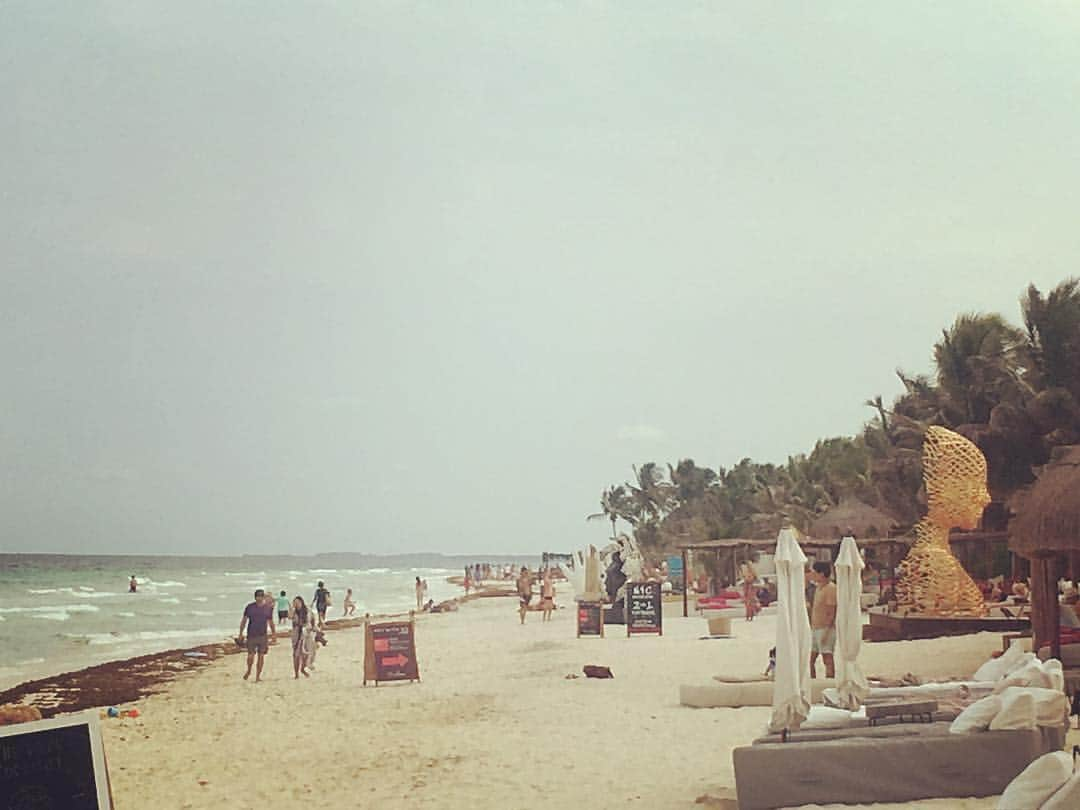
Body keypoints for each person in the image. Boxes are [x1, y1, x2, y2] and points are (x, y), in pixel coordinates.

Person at [238, 589, 276, 682]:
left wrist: (274, 634)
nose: (258, 598)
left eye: (260, 596)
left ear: (263, 597)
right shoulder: (249, 607)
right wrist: (240, 633)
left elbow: (271, 622)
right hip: (251, 635)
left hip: (263, 635)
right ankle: (249, 670)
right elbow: (244, 620)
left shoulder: (268, 608)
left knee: (261, 656)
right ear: (255, 597)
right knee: (250, 656)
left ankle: (258, 676)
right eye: (257, 596)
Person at [808, 562, 837, 679]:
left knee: (827, 659)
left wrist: (827, 631)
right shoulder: (818, 588)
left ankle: (830, 681)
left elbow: (832, 612)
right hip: (816, 628)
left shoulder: (830, 588)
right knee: (811, 659)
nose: (813, 575)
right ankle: (812, 681)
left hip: (825, 628)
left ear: (821, 574)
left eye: (815, 573)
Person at [290, 596, 311, 679]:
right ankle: (296, 674)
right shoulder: (294, 612)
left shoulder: (306, 611)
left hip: (305, 634)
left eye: (298, 603)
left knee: (306, 654)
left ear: (301, 602)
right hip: (296, 634)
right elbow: (289, 616)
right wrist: (292, 609)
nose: (296, 604)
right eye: (294, 603)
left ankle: (302, 669)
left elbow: (310, 621)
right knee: (296, 655)